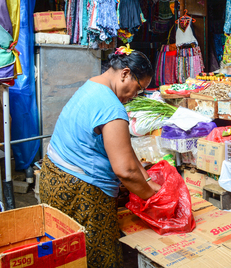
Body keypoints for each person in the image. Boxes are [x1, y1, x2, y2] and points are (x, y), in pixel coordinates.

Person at [40, 45, 160, 268]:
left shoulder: (93, 85)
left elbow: (124, 147)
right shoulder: (111, 108)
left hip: (54, 178)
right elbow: (124, 171)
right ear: (125, 73)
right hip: (81, 192)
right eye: (139, 88)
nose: (136, 95)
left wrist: (148, 179)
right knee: (96, 256)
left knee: (67, 253)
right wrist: (152, 199)